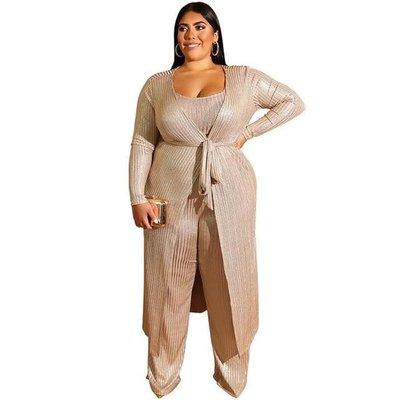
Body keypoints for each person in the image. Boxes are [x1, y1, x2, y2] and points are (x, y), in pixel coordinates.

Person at [128, 2, 305, 397]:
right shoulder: (157, 85)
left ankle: (231, 375)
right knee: (166, 282)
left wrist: (247, 134)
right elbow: (142, 141)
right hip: (167, 194)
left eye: (199, 26)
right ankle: (162, 377)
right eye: (183, 28)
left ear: (215, 35)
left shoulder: (243, 78)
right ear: (176, 38)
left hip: (230, 190)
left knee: (230, 278)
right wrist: (137, 196)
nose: (190, 34)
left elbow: (292, 101)